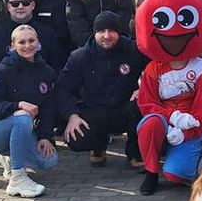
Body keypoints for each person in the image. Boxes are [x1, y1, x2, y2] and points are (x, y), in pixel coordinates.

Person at [0, 25, 87, 198]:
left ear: (38, 43)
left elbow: (48, 109)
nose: (27, 46)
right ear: (12, 46)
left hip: (20, 128)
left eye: (31, 41)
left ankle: (9, 158)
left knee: (49, 160)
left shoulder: (46, 72)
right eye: (22, 42)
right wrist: (17, 105)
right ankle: (18, 178)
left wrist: (44, 137)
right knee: (23, 117)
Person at [135, 0, 202, 195]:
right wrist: (172, 118)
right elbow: (147, 104)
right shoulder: (154, 68)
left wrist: (186, 133)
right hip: (164, 122)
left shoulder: (201, 69)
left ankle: (180, 153)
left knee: (176, 175)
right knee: (150, 124)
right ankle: (151, 171)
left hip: (190, 127)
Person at [58, 11, 149, 168]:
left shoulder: (133, 50)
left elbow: (156, 67)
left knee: (141, 104)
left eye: (112, 30)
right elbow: (62, 89)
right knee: (76, 140)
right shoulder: (79, 57)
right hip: (94, 110)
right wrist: (71, 115)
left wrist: (145, 89)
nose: (107, 35)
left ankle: (135, 152)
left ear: (119, 32)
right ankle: (98, 147)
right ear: (94, 33)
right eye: (101, 31)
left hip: (125, 108)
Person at [0, 0, 65, 86]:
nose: (20, 7)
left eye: (26, 3)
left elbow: (58, 67)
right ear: (8, 7)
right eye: (15, 4)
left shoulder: (48, 33)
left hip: (41, 92)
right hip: (6, 93)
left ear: (33, 5)